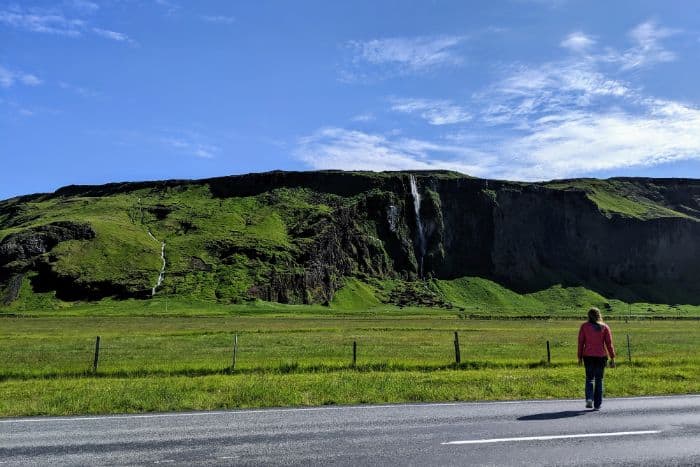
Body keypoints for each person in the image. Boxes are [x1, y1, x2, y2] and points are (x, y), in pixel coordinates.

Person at [577, 307, 616, 410]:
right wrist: (612, 357)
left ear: (588, 315)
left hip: (588, 356)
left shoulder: (584, 326)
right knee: (599, 380)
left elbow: (581, 342)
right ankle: (597, 404)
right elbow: (609, 344)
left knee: (589, 378)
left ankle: (589, 398)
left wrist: (579, 357)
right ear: (599, 315)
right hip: (601, 356)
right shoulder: (605, 327)